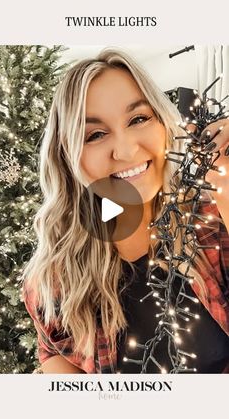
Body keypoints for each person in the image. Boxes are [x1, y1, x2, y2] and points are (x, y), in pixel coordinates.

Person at [22, 48, 229, 374]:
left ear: (162, 123)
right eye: (95, 135)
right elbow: (54, 352)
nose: (127, 150)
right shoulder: (53, 278)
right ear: (68, 156)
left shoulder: (211, 222)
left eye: (139, 118)